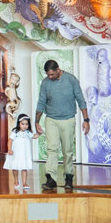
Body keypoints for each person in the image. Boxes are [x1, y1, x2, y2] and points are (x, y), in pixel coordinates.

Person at [35, 59, 89, 190]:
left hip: (68, 119)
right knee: (52, 149)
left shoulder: (71, 80)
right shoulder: (46, 83)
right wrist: (36, 121)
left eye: (52, 74)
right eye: (48, 75)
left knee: (67, 150)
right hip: (51, 120)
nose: (49, 77)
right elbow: (41, 102)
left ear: (58, 70)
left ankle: (69, 177)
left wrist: (86, 120)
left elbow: (81, 99)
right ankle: (51, 179)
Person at [4, 113, 39, 191]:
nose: (24, 126)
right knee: (15, 167)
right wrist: (9, 149)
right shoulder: (15, 131)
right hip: (16, 153)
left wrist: (39, 133)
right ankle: (16, 180)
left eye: (26, 124)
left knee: (24, 168)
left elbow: (34, 136)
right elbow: (10, 140)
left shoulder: (28, 132)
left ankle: (24, 182)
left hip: (24, 154)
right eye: (22, 124)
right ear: (18, 123)